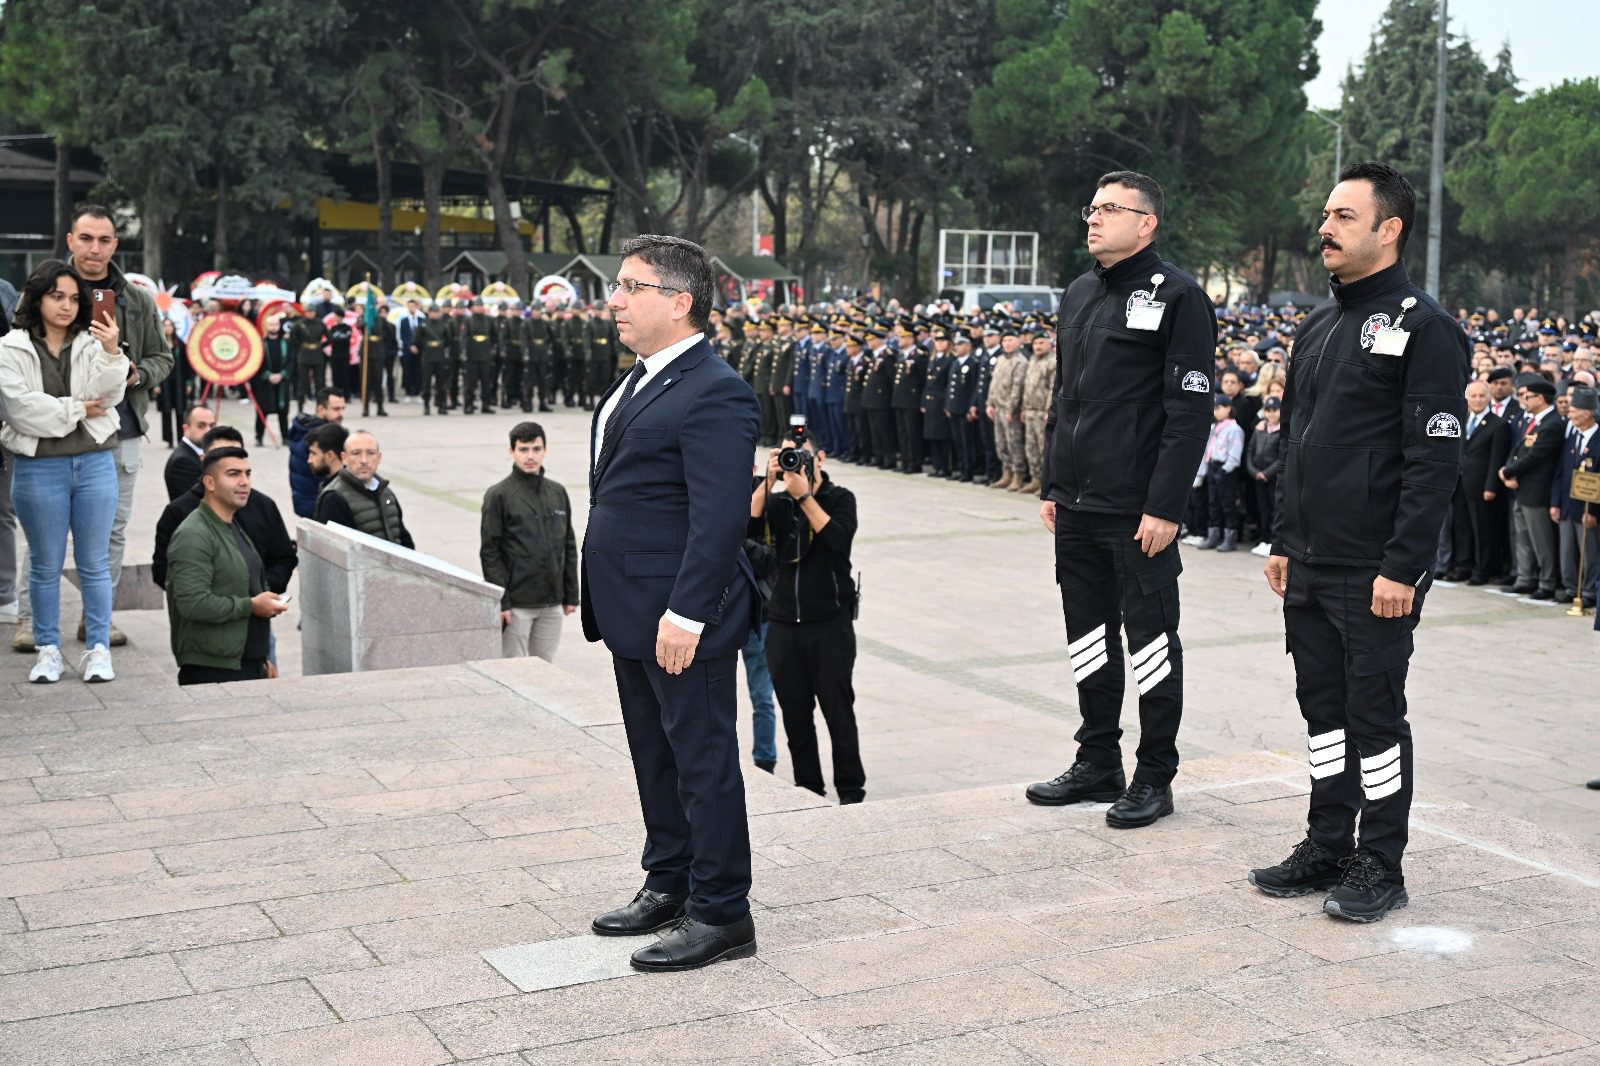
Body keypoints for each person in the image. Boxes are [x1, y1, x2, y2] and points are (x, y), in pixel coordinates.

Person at [1256, 162, 1467, 922]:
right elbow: (1297, 446)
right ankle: (1327, 841)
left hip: (1374, 571)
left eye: (1344, 216)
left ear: (1390, 229)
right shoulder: (1318, 325)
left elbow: (1434, 462)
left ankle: (1380, 861)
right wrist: (1281, 538)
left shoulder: (1426, 328)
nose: (1325, 228)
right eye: (1325, 215)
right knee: (1322, 713)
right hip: (1308, 561)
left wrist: (1403, 566)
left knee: (1374, 719)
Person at [581, 234, 760, 972]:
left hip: (679, 618)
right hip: (630, 609)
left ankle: (722, 913)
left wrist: (687, 613)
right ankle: (670, 879)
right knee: (655, 755)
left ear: (679, 301)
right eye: (616, 285)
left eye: (630, 286)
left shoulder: (715, 388)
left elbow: (719, 516)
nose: (614, 300)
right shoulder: (640, 378)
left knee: (702, 761)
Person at [1026, 171, 1215, 830]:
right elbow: (1064, 398)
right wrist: (1052, 483)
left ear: (1147, 223)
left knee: (1151, 643)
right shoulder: (1080, 292)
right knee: (1088, 638)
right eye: (1092, 207)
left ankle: (1154, 775)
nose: (1094, 219)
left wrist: (1165, 506)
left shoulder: (1179, 296)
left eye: (1111, 209)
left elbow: (1189, 412)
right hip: (1076, 506)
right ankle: (1096, 759)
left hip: (1138, 512)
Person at [0, 260, 129, 683]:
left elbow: (108, 396)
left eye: (75, 298)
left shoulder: (91, 342)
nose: (67, 306)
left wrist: (112, 352)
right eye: (57, 296)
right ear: (36, 298)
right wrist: (76, 408)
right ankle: (48, 649)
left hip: (94, 461)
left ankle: (97, 650)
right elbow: (21, 411)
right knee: (44, 564)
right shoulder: (11, 347)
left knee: (93, 563)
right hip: (38, 467)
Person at [67, 206, 172, 648]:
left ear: (115, 244)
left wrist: (136, 375)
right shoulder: (47, 291)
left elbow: (162, 358)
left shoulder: (135, 297)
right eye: (86, 238)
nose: (95, 249)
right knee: (48, 528)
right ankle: (32, 619)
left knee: (111, 530)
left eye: (104, 240)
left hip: (121, 429)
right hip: (57, 428)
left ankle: (97, 620)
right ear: (70, 239)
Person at [749, 426, 863, 803]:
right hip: (782, 626)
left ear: (820, 458)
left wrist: (806, 498)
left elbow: (837, 540)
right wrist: (769, 480)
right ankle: (809, 789)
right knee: (796, 717)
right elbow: (746, 525)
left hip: (829, 624)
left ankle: (850, 791)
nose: (794, 461)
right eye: (786, 455)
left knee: (838, 713)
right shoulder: (778, 503)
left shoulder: (840, 497)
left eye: (800, 454)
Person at [165, 446, 290, 684]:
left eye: (247, 473)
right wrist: (251, 606)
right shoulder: (194, 534)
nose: (244, 482)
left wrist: (261, 659)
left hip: (248, 662)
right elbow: (193, 604)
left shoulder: (231, 524)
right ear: (209, 483)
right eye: (234, 474)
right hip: (214, 669)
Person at [152, 425, 297, 599]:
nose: (232, 461)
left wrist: (262, 591)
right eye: (222, 455)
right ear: (204, 460)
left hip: (259, 617)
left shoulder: (263, 505)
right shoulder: (179, 512)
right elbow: (163, 571)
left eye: (237, 455)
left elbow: (284, 558)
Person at [480, 422, 578, 661]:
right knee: (514, 669)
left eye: (536, 449)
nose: (530, 456)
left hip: (552, 603)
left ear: (545, 450)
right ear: (511, 451)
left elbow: (568, 545)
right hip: (517, 605)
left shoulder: (557, 492)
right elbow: (490, 551)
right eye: (524, 449)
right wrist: (501, 601)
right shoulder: (499, 495)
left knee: (545, 667)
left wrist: (571, 594)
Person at [1500, 377, 1564, 599]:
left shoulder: (1554, 423)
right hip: (1521, 486)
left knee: (1541, 539)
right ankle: (1525, 578)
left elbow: (1537, 456)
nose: (1524, 399)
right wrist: (1508, 470)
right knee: (1523, 537)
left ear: (1542, 398)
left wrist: (1509, 471)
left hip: (1537, 490)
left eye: (1529, 396)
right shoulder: (1536, 421)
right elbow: (1519, 448)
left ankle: (1546, 582)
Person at [314, 430, 415, 548]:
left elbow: (403, 538)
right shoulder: (334, 498)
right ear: (344, 458)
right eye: (356, 453)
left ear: (379, 457)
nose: (364, 460)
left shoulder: (385, 492)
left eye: (370, 453)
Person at [1455, 381, 1510, 584]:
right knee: (1462, 527)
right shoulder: (1462, 420)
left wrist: (1491, 486)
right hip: (1461, 482)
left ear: (1488, 398)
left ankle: (1483, 569)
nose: (1477, 400)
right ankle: (1464, 565)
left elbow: (1497, 459)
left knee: (1483, 530)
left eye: (1481, 396)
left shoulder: (1498, 424)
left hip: (1482, 486)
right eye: (1473, 396)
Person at [1551, 388, 1599, 607]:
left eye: (1575, 410)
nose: (1570, 414)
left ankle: (1588, 590)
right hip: (1567, 505)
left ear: (1588, 413)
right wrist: (1555, 503)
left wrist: (1595, 511)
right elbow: (1560, 472)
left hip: (1588, 508)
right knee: (1567, 549)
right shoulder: (1572, 437)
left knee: (1588, 552)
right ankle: (1571, 587)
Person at [286, 387, 346, 518]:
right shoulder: (316, 441)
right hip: (317, 508)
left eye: (343, 408)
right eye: (336, 409)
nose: (341, 414)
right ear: (320, 409)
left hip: (312, 505)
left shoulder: (312, 432)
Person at [1197, 394, 1244, 552]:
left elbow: (1235, 453)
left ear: (1228, 408)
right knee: (1213, 503)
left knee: (1228, 505)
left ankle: (1230, 538)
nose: (1215, 411)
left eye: (1219, 407)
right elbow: (1207, 450)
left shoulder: (1234, 429)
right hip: (1212, 466)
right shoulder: (1213, 427)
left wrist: (1225, 469)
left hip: (1225, 469)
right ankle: (1213, 536)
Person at [1018, 328, 1056, 495]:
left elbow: (1052, 388)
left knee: (1043, 449)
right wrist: (1024, 408)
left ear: (1049, 344)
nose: (1038, 346)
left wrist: (1049, 410)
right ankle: (1034, 479)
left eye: (1041, 343)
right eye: (1035, 343)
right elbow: (1027, 387)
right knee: (1031, 448)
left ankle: (1045, 484)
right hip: (1030, 410)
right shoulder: (1032, 360)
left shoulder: (1052, 362)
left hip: (1042, 412)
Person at [1246, 396, 1284, 558]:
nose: (1271, 414)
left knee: (1275, 509)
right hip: (1258, 476)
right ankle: (1264, 538)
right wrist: (1254, 471)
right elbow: (1250, 451)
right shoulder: (1259, 429)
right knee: (1263, 509)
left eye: (1274, 410)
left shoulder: (1282, 432)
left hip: (1273, 478)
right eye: (1268, 410)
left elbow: (1282, 457)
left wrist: (1267, 473)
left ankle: (1273, 542)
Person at [253, 312, 293, 445]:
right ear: (266, 326)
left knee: (283, 412)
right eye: (271, 324)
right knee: (262, 411)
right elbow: (256, 362)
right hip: (265, 383)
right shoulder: (260, 344)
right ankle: (259, 437)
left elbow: (291, 361)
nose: (273, 327)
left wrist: (282, 374)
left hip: (282, 382)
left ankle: (285, 437)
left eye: (276, 324)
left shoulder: (286, 343)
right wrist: (268, 375)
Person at [163, 403, 215, 500]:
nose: (208, 431)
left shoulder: (201, 453)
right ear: (186, 429)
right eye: (201, 426)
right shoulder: (182, 462)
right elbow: (202, 500)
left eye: (212, 426)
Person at [304, 422, 349, 495]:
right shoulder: (330, 486)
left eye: (314, 453)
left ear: (330, 456)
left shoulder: (335, 495)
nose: (309, 460)